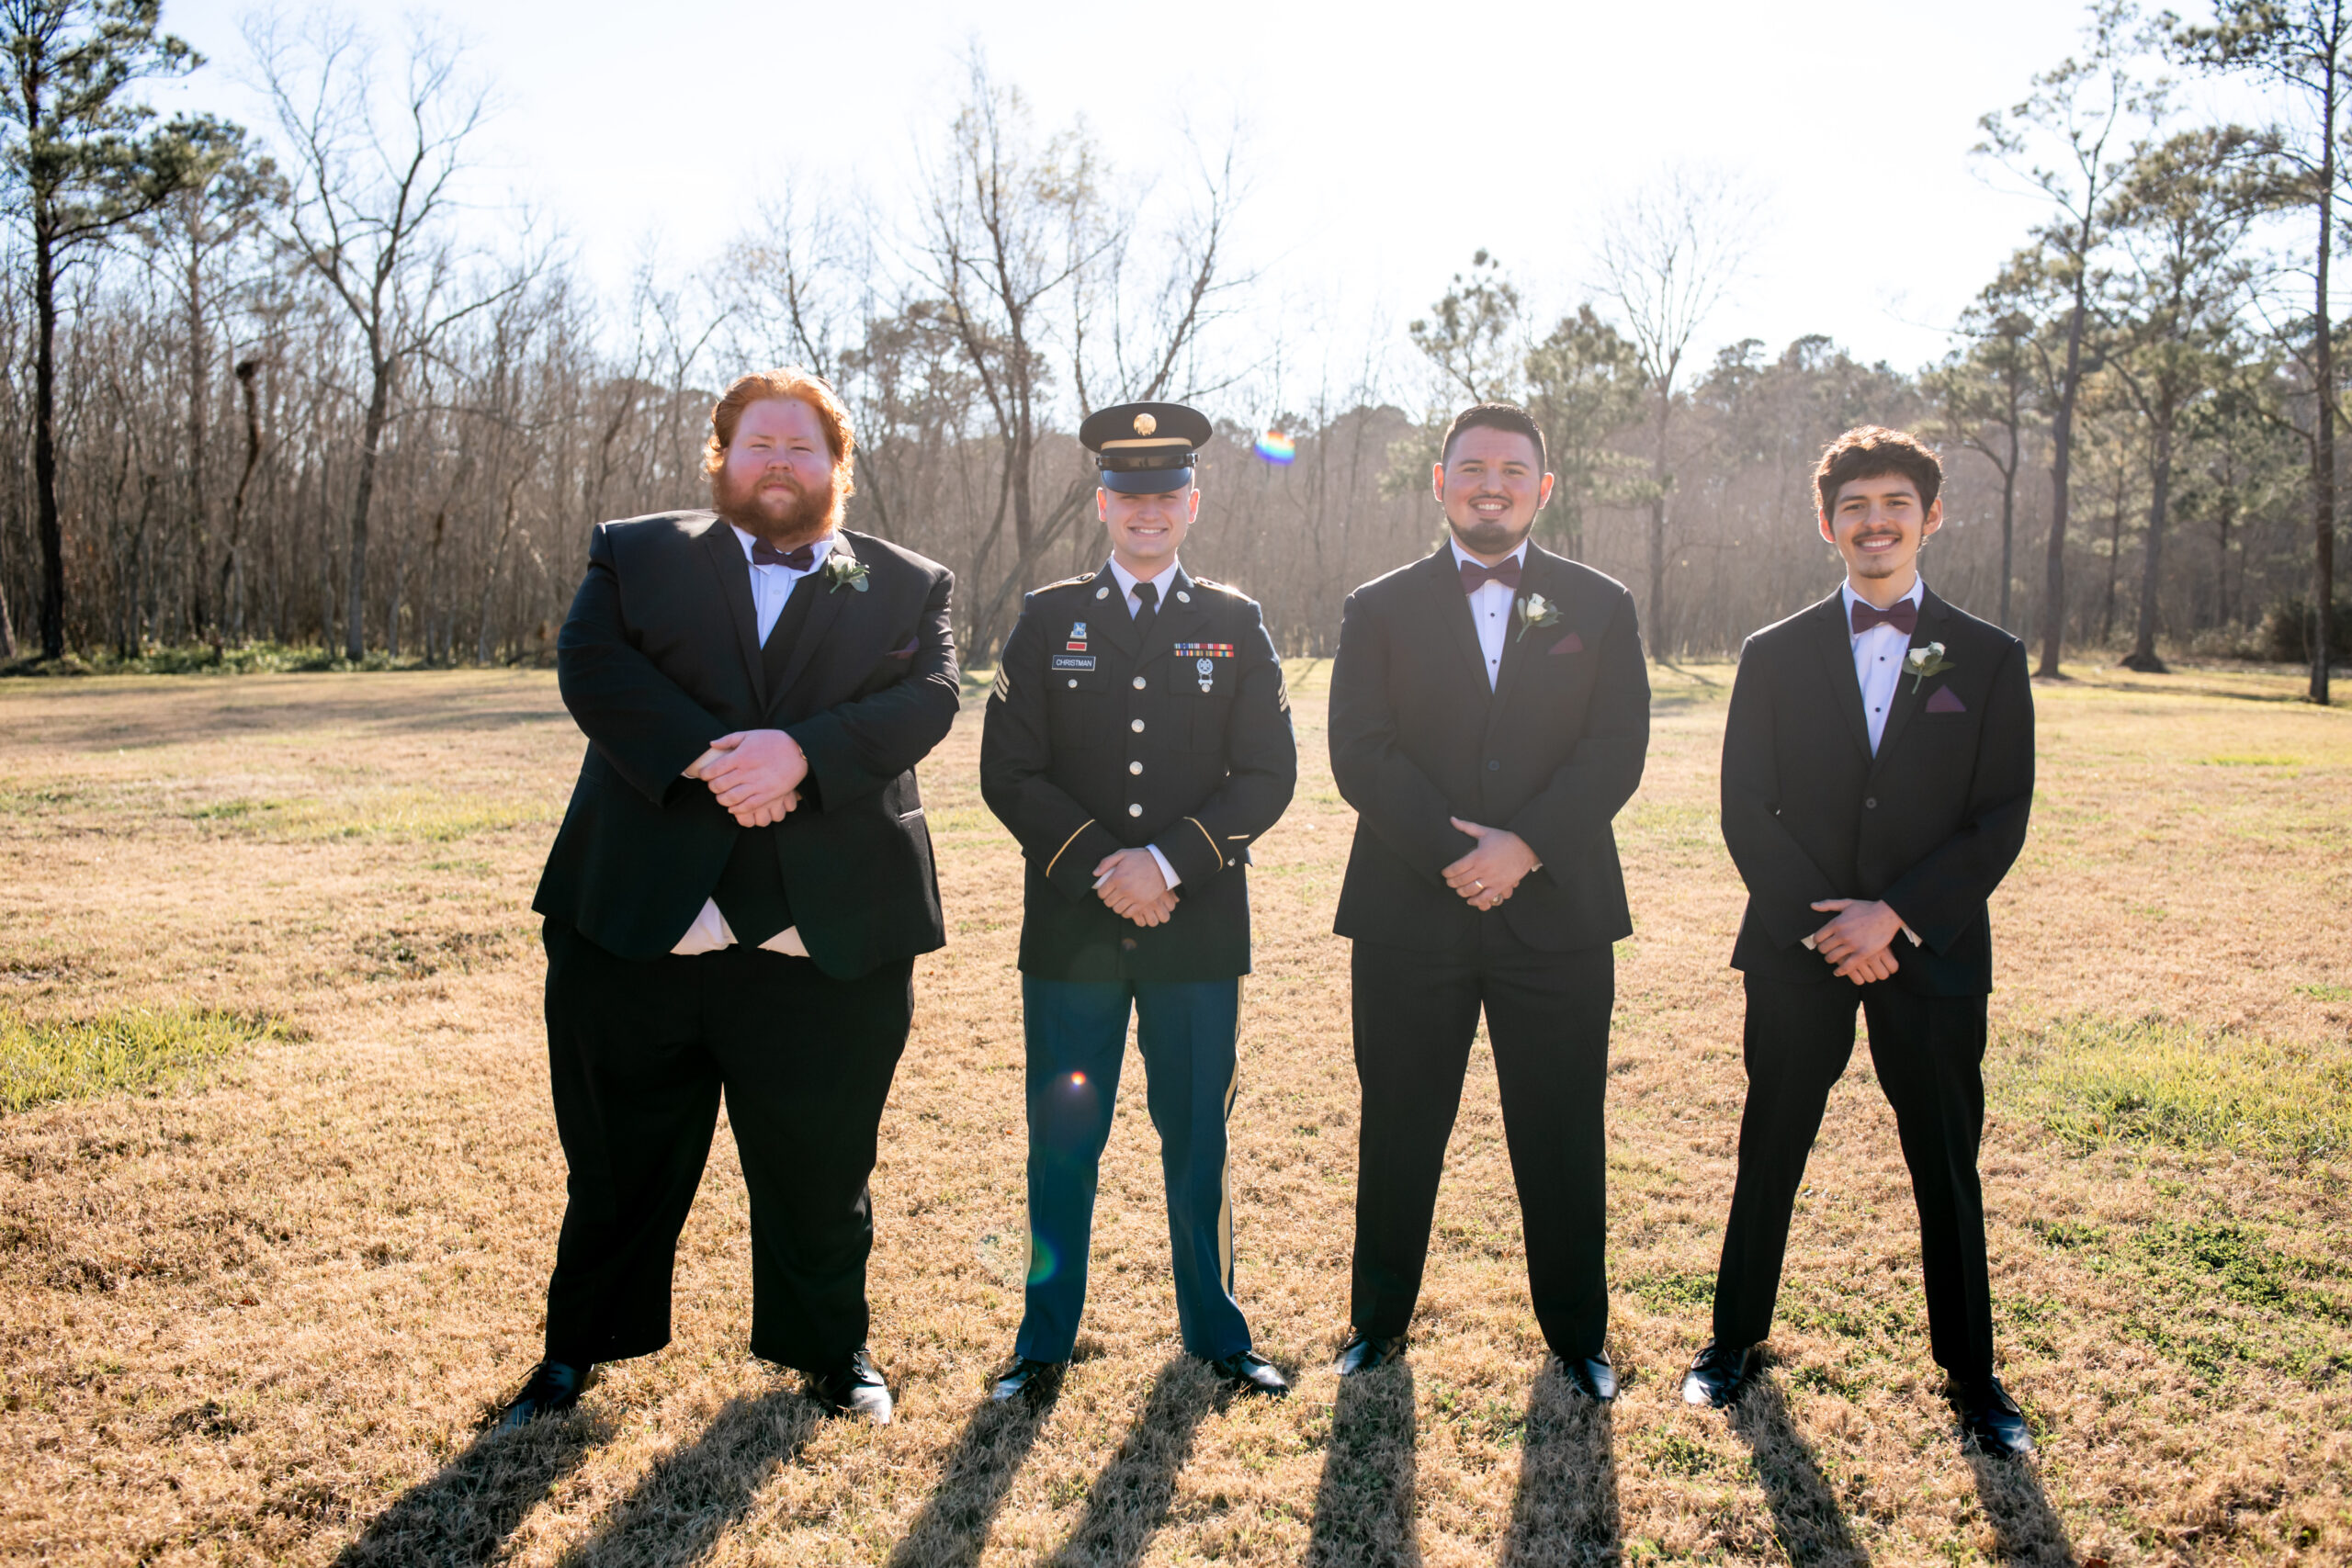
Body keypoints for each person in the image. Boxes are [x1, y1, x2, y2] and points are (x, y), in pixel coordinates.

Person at [501, 367, 960, 1428]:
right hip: (642, 923)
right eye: (759, 444)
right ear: (723, 455)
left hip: (826, 933)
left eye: (804, 448)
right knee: (616, 1159)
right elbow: (592, 667)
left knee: (822, 1160)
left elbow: (929, 696)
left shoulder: (907, 584)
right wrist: (723, 766)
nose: (780, 464)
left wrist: (800, 755)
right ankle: (576, 1353)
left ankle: (832, 1352)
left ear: (837, 468)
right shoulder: (635, 552)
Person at [1679, 425, 2036, 1457]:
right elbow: (1748, 806)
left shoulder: (1989, 656)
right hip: (1800, 948)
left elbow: (1998, 815)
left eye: (1894, 505)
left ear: (1931, 516)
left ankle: (1973, 1375)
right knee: (1771, 1144)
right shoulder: (1772, 653)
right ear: (1825, 521)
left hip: (1933, 952)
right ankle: (1731, 1343)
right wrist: (1834, 926)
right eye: (1853, 507)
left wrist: (1898, 917)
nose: (1873, 524)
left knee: (1945, 1161)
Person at [1324, 401, 1649, 1400]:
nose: (1491, 483)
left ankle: (1577, 1336)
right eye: (1472, 467)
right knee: (1400, 1123)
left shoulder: (1599, 605)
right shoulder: (1377, 607)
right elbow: (1359, 751)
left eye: (1513, 469)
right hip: (1406, 912)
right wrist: (1454, 854)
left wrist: (1527, 847)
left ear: (1543, 489)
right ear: (1439, 481)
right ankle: (1376, 1327)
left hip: (1556, 913)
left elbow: (1614, 749)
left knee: (1559, 1126)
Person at [978, 400, 1297, 1402]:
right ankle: (1042, 1344)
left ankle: (1217, 1333)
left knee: (1199, 1134)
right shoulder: (1046, 619)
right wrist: (1101, 868)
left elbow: (1267, 775)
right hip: (1072, 929)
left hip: (1194, 928)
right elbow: (1009, 771)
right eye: (1129, 494)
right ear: (1103, 501)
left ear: (1191, 503)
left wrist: (1164, 864)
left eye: (1166, 494)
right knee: (1063, 1141)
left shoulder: (1235, 623)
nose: (1147, 510)